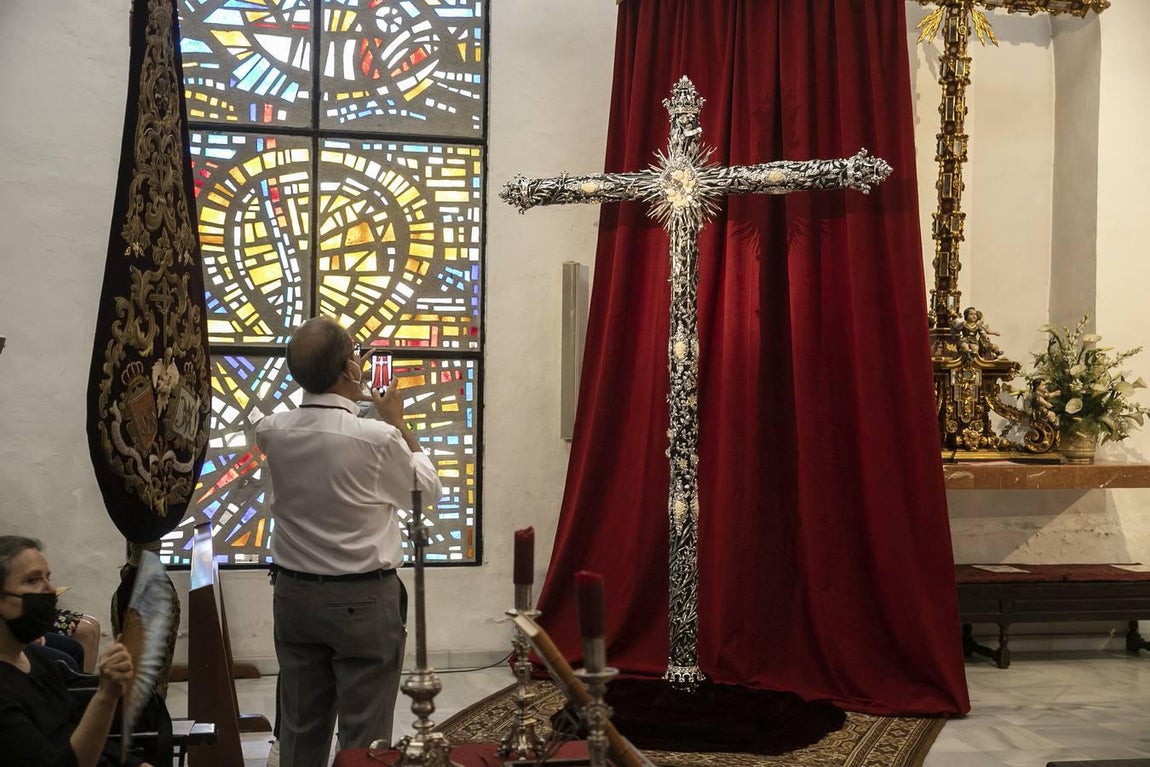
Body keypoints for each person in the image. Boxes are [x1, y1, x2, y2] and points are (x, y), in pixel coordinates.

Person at [255, 317, 443, 767]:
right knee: (365, 734)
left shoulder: (271, 431)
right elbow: (426, 493)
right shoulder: (376, 438)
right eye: (356, 353)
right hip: (362, 598)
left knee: (300, 725)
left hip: (294, 595)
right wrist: (398, 423)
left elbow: (271, 433)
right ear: (350, 369)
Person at [0, 536, 151, 767]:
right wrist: (106, 694)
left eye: (47, 577)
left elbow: (76, 735)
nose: (50, 590)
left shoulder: (42, 660)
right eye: (32, 580)